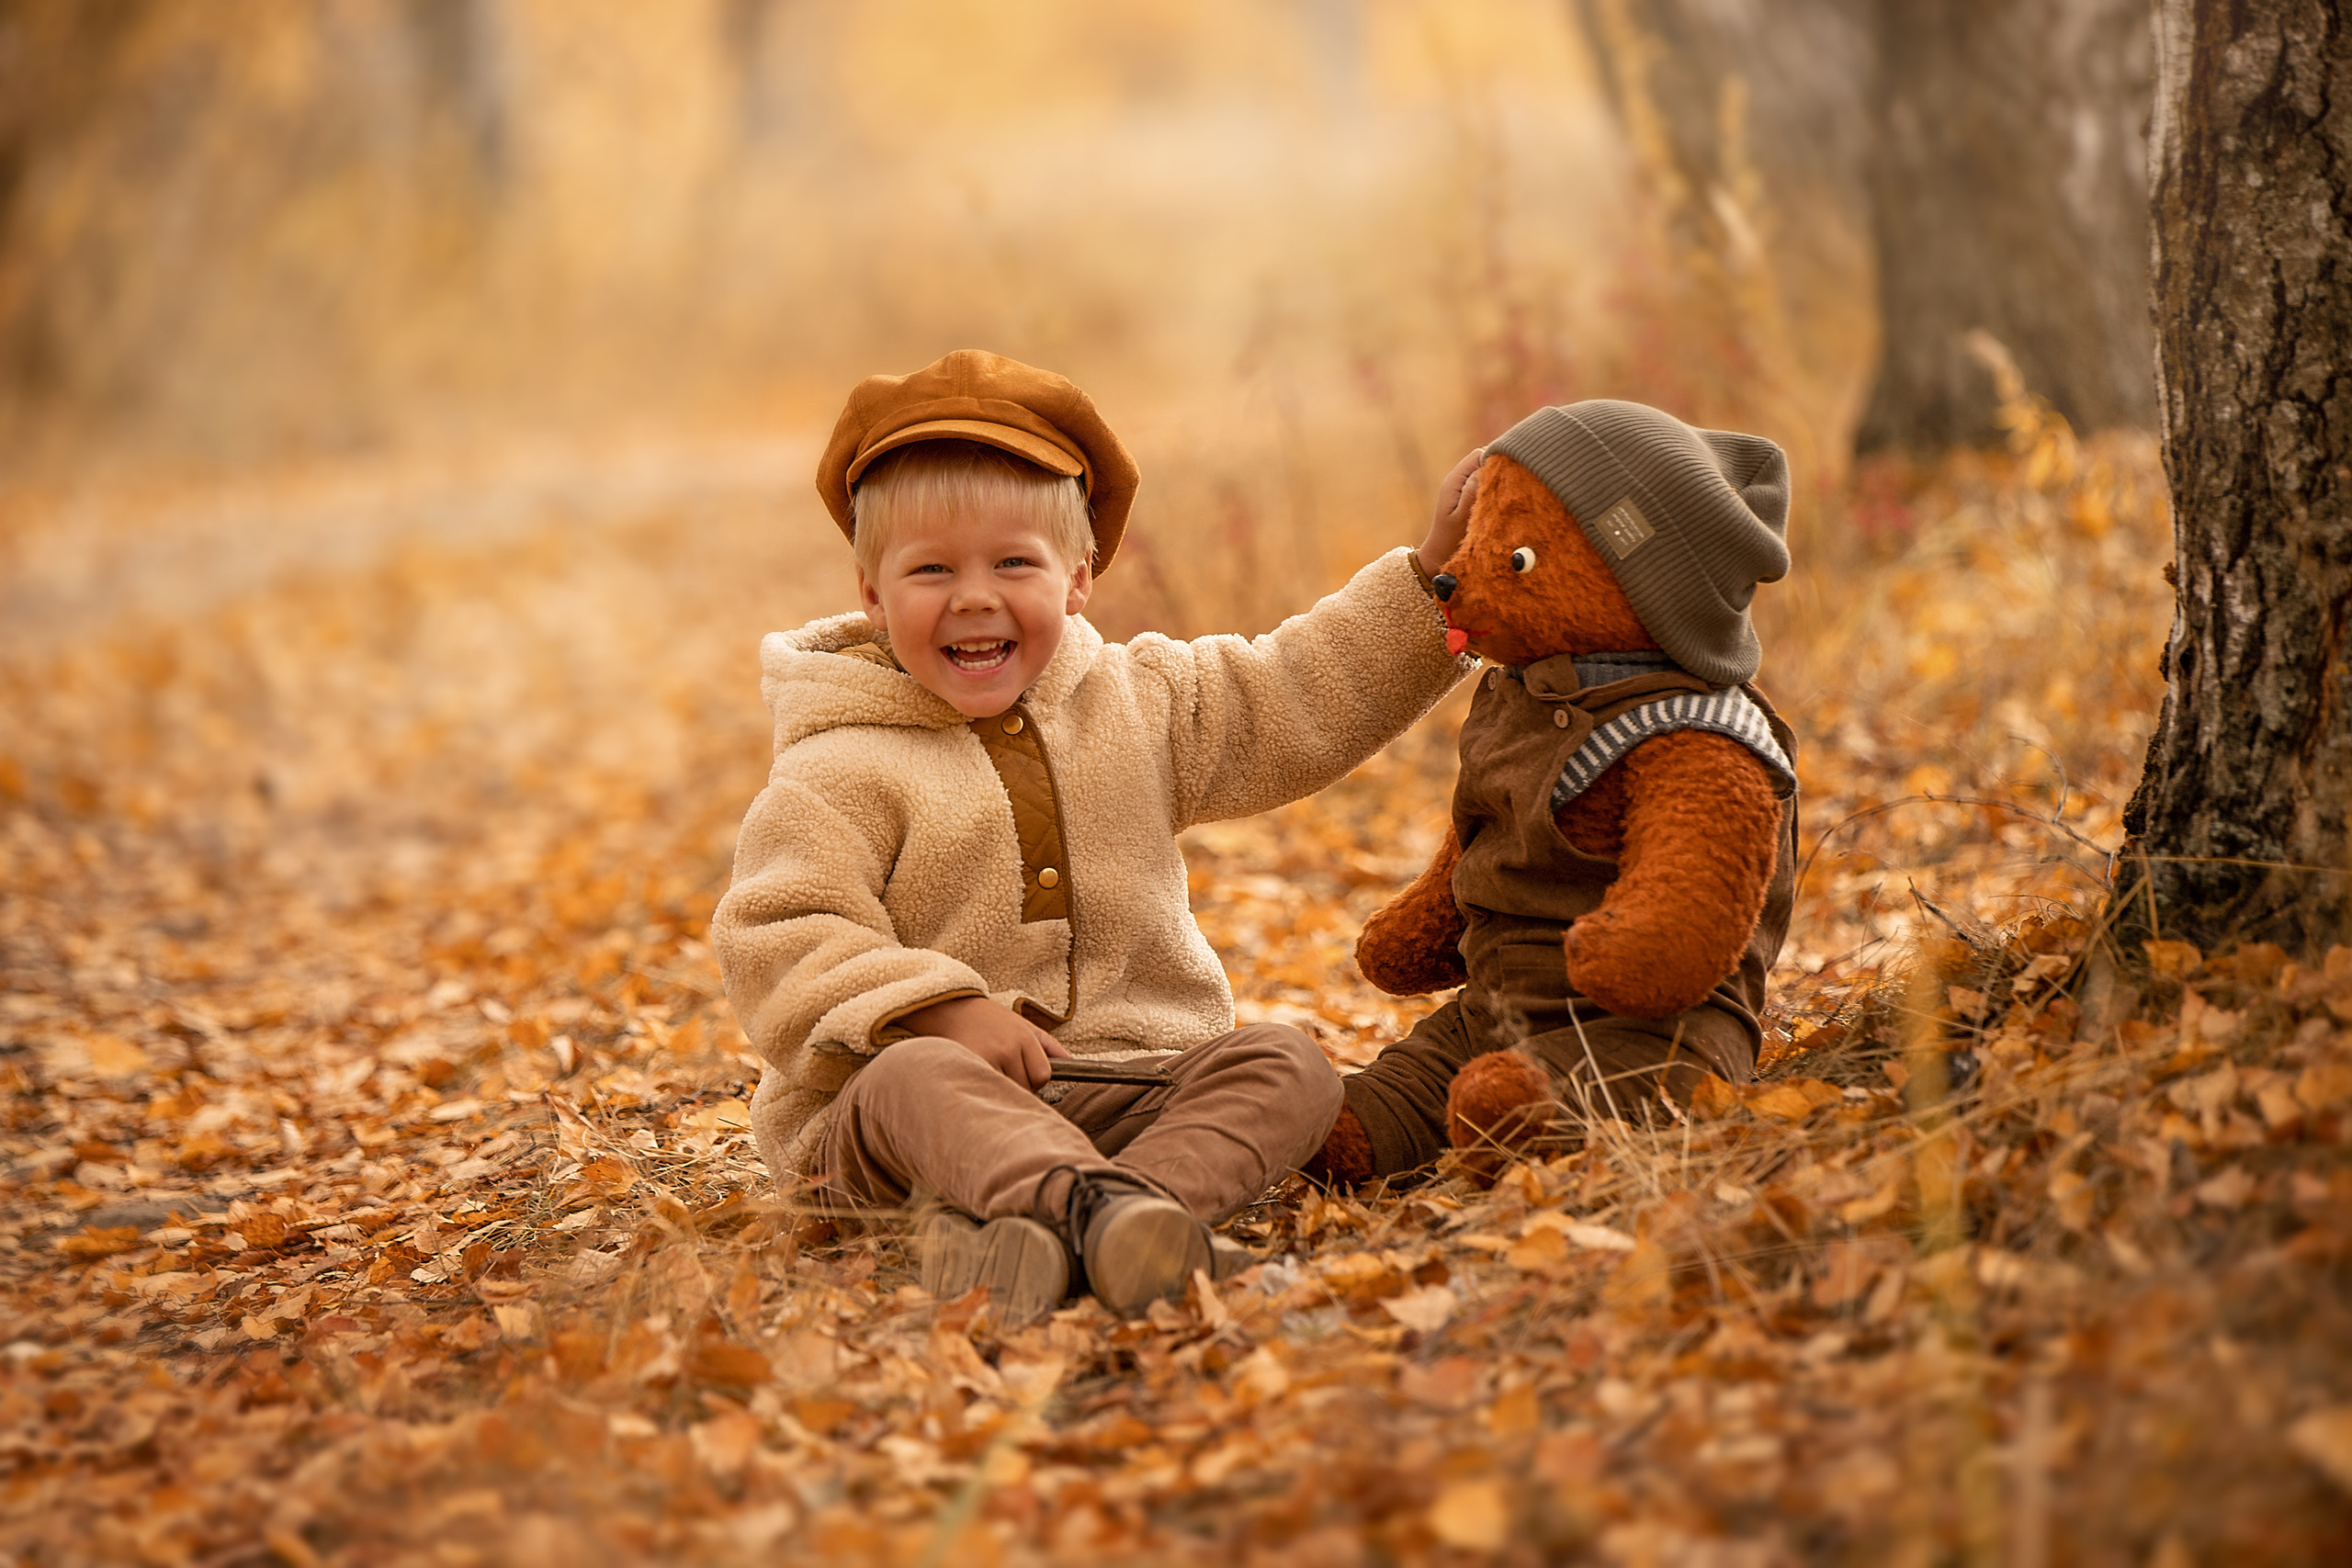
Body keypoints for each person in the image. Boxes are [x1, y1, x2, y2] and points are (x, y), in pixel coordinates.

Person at [714, 349, 1476, 1321]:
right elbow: (782, 933)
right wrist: (935, 1011)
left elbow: (1293, 693)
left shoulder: (1139, 703)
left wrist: (1430, 587)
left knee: (1287, 1063)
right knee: (915, 1081)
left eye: (1014, 563)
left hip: (1120, 1093)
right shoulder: (837, 765)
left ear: (1078, 577)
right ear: (871, 592)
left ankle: (1081, 1233)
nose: (975, 596)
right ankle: (1114, 1222)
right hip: (900, 1131)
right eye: (931, 569)